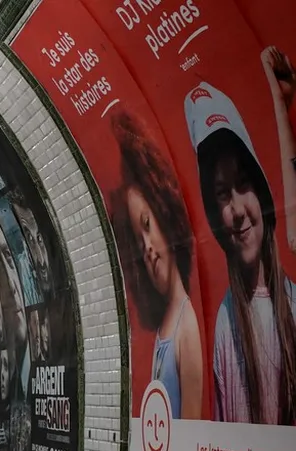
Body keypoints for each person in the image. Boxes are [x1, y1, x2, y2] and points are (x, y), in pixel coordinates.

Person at [186, 78, 296, 425]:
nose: (236, 208)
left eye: (243, 183)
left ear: (261, 193)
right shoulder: (224, 325)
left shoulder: (294, 306)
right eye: (221, 193)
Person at [109, 108, 203, 419]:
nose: (147, 249)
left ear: (165, 215)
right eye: (138, 241)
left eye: (148, 225)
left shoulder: (186, 327)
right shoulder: (165, 326)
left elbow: (190, 427)